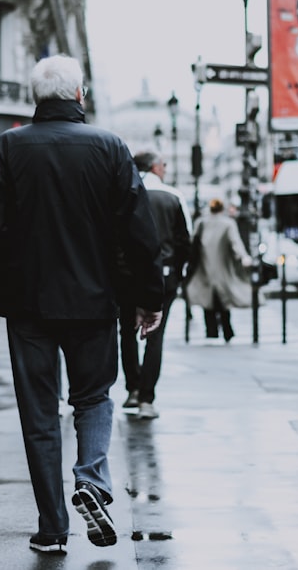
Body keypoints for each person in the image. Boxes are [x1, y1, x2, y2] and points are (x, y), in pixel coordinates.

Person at [0, 55, 164, 555]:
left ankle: (52, 528)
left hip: (29, 305)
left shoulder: (7, 149)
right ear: (80, 95)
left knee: (38, 415)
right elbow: (140, 234)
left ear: (37, 97)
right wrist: (147, 298)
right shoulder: (110, 148)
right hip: (94, 300)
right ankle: (92, 481)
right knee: (94, 397)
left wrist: (7, 282)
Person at [118, 150, 191, 419]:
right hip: (164, 273)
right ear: (154, 168)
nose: (165, 169)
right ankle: (147, 397)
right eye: (164, 164)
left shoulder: (124, 194)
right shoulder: (172, 197)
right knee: (155, 334)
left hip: (126, 275)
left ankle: (133, 388)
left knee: (126, 331)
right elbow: (185, 240)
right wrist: (180, 271)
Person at [185, 198, 253, 342]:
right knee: (223, 298)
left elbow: (192, 243)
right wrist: (244, 257)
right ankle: (227, 329)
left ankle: (211, 330)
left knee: (207, 299)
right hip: (222, 265)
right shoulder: (228, 223)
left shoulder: (201, 222)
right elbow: (236, 243)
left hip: (204, 266)